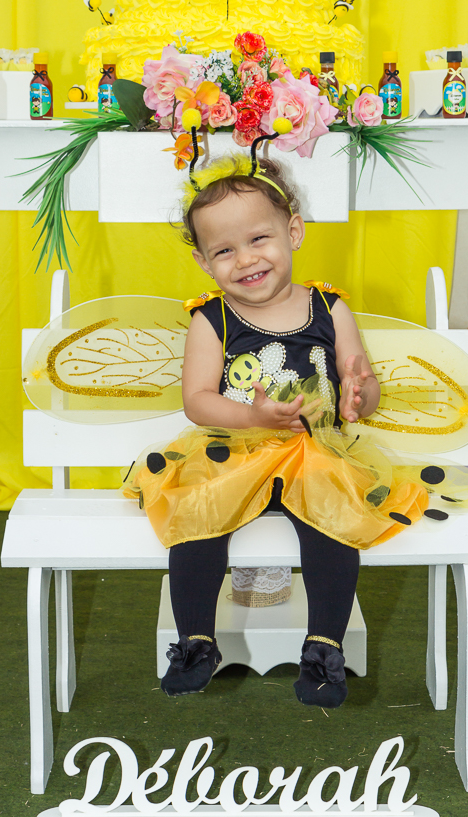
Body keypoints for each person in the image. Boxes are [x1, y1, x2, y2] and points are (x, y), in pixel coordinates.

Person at [123, 146, 438, 709]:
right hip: (235, 455)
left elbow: (358, 389)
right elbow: (196, 401)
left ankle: (323, 649)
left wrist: (361, 391)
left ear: (293, 231)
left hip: (312, 456)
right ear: (204, 263)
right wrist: (250, 416)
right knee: (196, 512)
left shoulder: (329, 307)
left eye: (258, 239)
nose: (245, 259)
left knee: (332, 522)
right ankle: (195, 640)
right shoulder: (211, 319)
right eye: (224, 250)